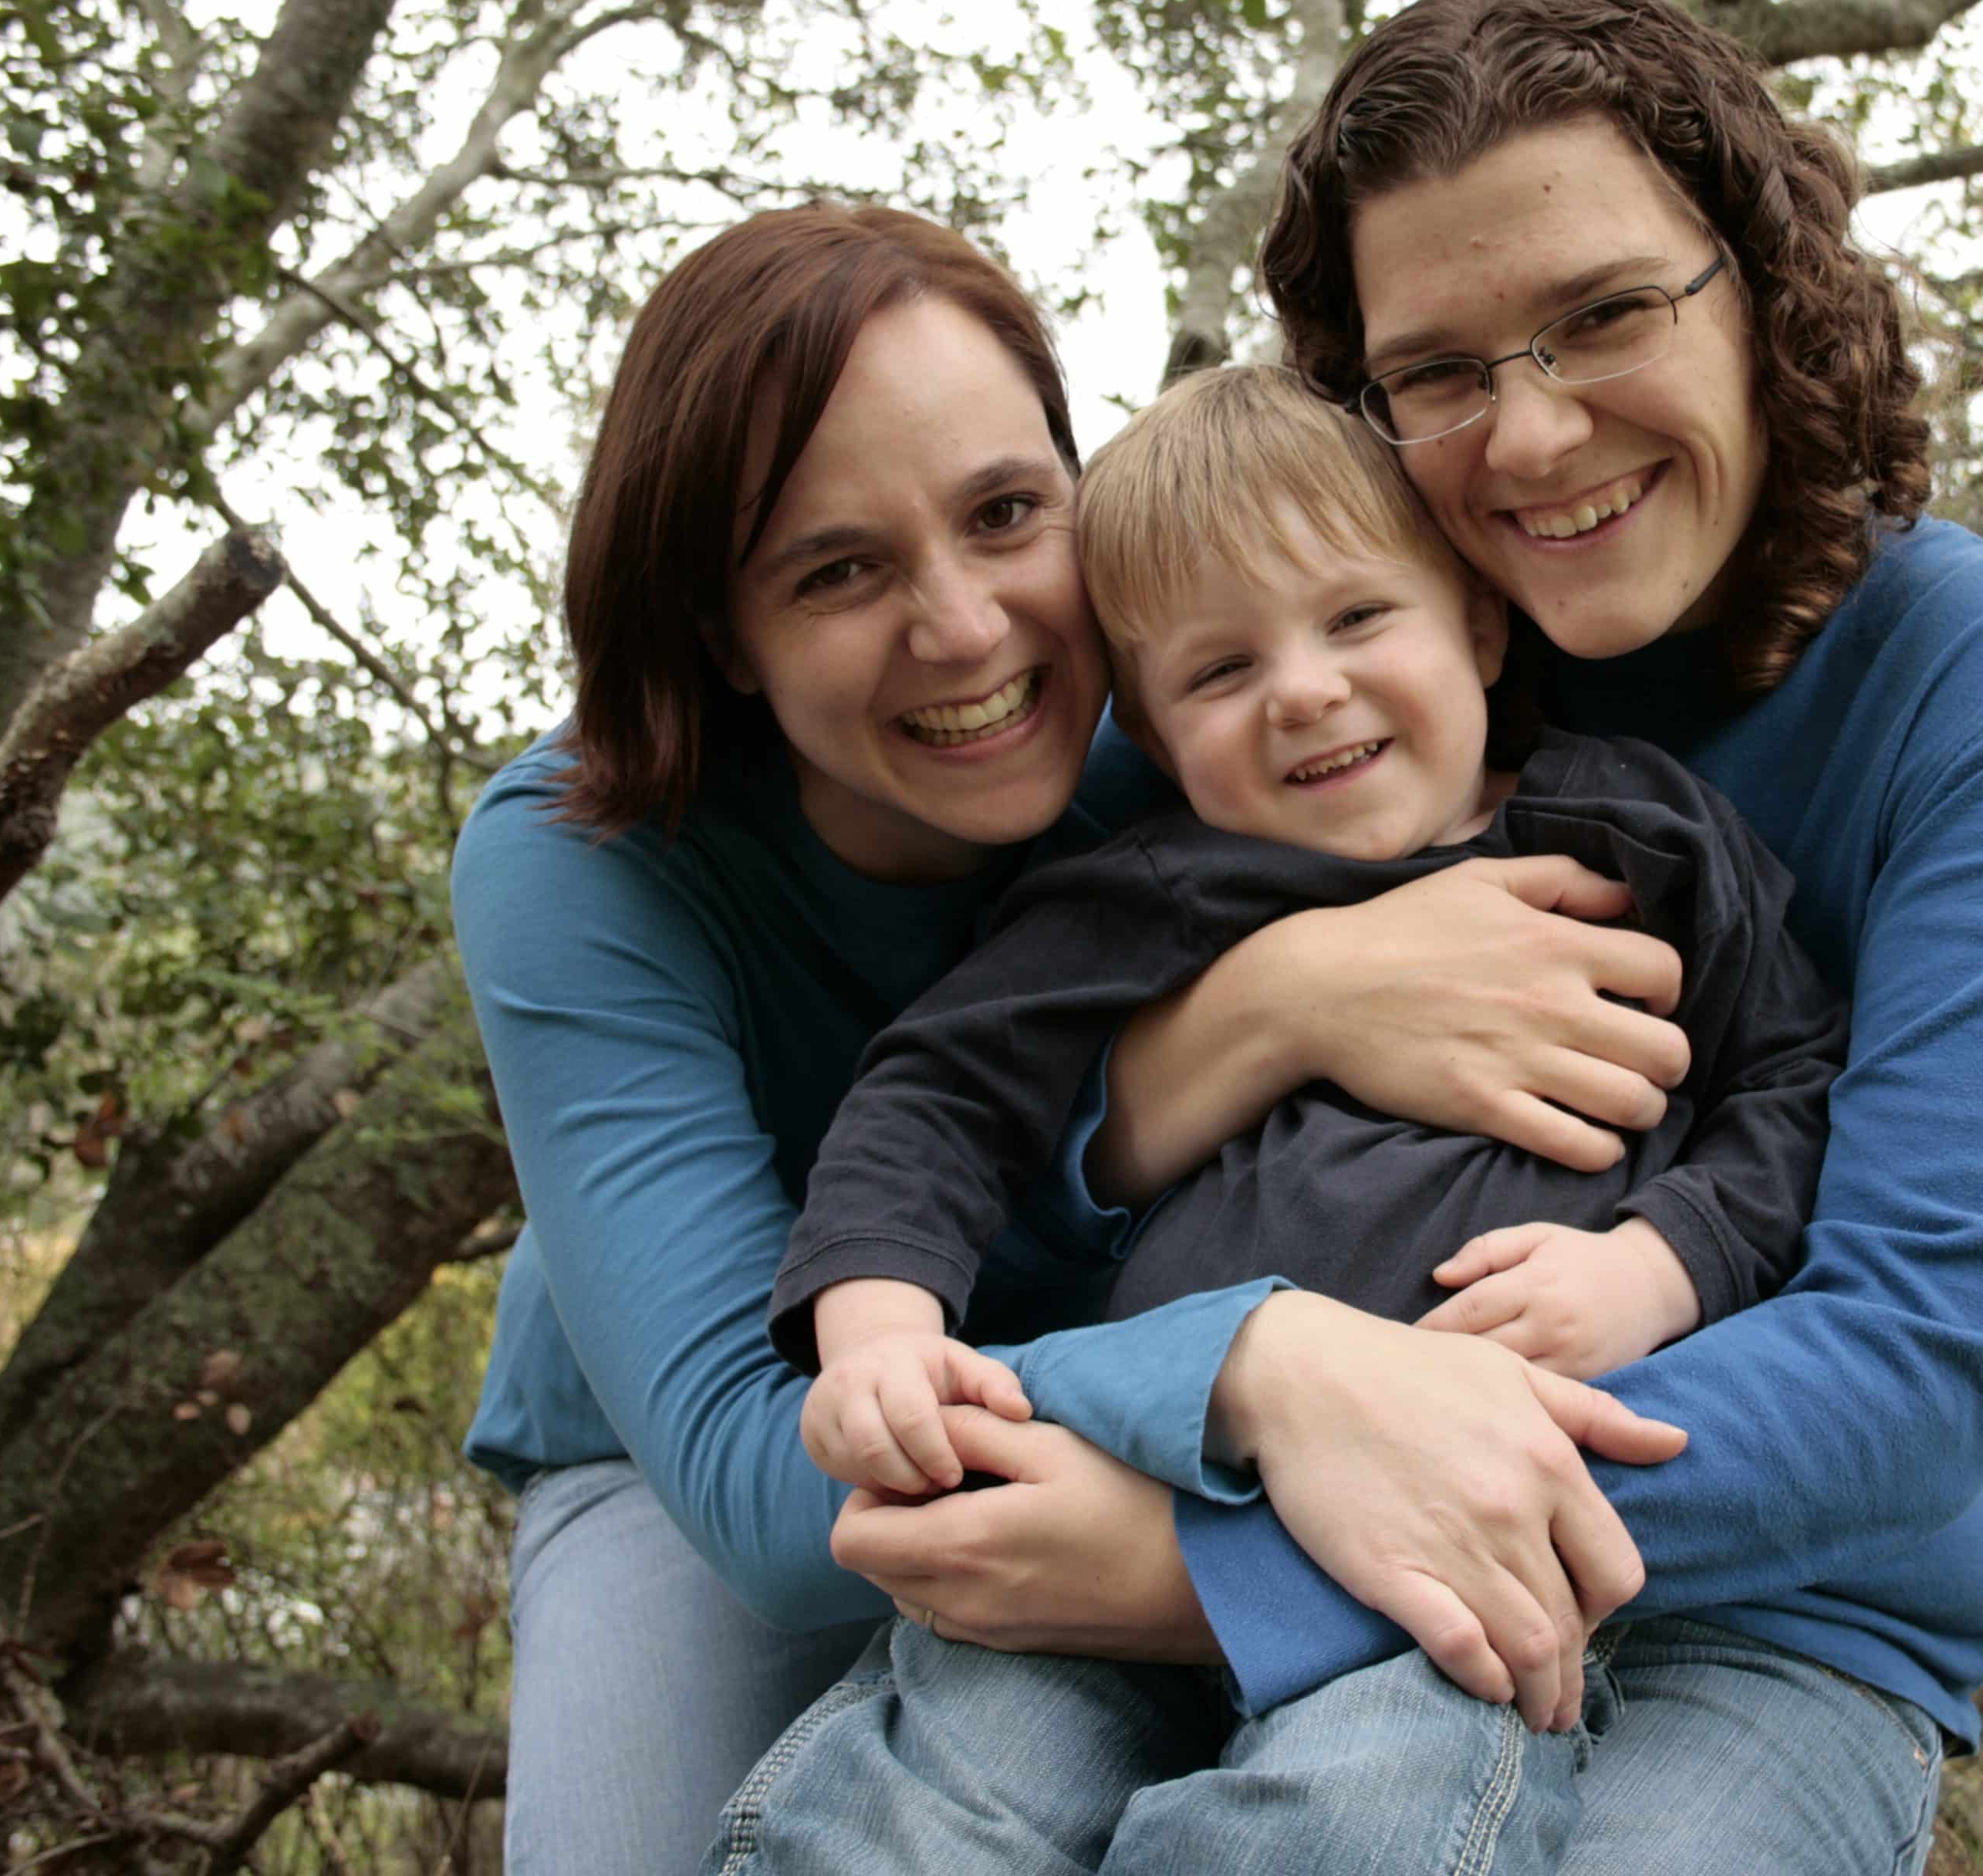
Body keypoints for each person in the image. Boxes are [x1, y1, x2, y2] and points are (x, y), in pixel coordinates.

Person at [719, 0, 1983, 1876]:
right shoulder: (1266, 695)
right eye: (1444, 372)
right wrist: (1283, 1011)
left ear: (1760, 282)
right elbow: (998, 1146)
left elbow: (1914, 1360)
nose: (1537, 438)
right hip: (1249, 1456)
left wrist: (1209, 1561)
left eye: (1606, 315)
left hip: (1766, 1594)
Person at [454, 205, 1700, 1874]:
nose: (967, 631)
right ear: (714, 630)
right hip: (741, 1442)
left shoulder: (1198, 718)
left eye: (1005, 514)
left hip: (1120, 1356)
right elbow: (770, 1495)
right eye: (836, 569)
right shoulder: (579, 854)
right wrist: (1255, 1325)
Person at [736, 363, 1846, 1874]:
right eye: (1220, 671)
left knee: (1366, 1812)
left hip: (1443, 1530)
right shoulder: (1149, 891)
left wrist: (1659, 1265)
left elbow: (1793, 1085)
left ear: (1475, 616)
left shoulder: (1640, 841)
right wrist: (879, 1336)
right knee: (929, 1802)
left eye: (1356, 618)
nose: (1305, 689)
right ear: (1152, 731)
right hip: (1130, 1477)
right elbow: (934, 1096)